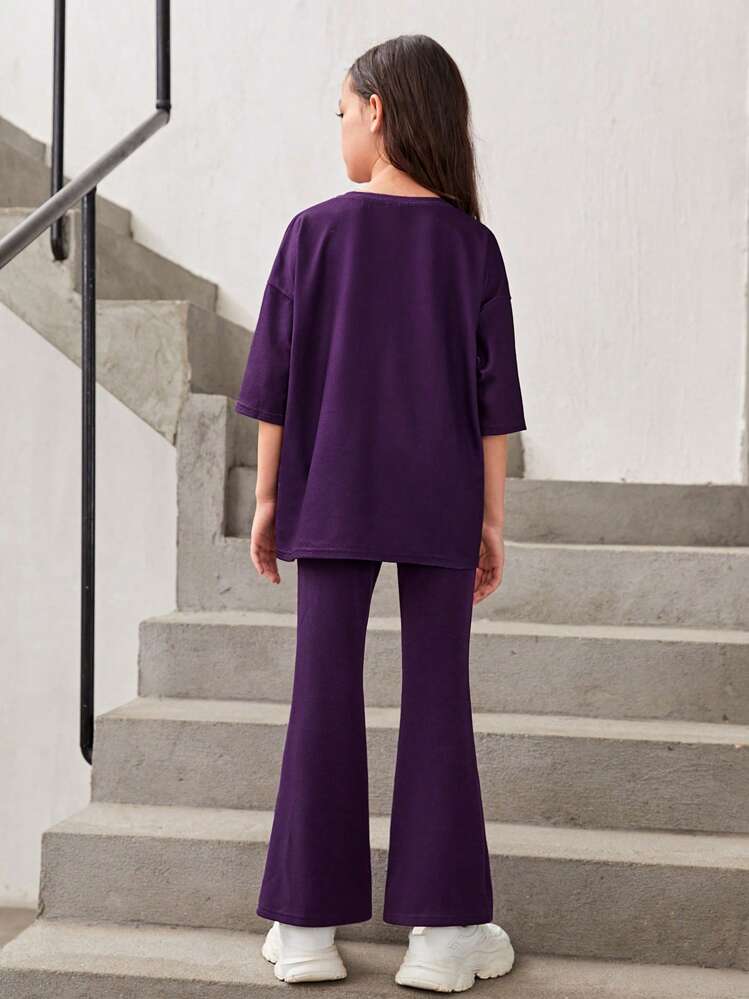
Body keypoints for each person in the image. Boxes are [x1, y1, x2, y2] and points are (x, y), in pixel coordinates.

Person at [234, 33, 526, 994]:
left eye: (343, 111)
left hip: (331, 492)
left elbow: (274, 383)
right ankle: (442, 938)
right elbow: (493, 406)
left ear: (378, 111)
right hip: (440, 496)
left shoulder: (312, 233)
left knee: (321, 691)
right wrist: (490, 520)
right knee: (439, 697)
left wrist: (268, 498)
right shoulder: (472, 247)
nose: (341, 129)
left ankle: (305, 927)